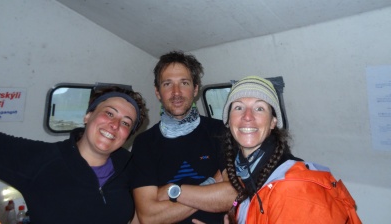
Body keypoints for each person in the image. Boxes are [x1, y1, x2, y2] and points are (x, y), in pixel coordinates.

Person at [0, 86, 147, 224]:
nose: (115, 125)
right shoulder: (42, 160)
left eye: (126, 123)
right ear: (88, 116)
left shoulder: (129, 166)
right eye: (109, 113)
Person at [221, 75, 362, 223]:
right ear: (228, 121)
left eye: (259, 108)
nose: (247, 116)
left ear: (273, 122)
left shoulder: (294, 191)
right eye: (238, 107)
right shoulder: (248, 175)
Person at [130, 50, 236, 224]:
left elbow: (231, 195)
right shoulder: (144, 143)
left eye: (184, 83)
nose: (176, 92)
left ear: (195, 89)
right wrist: (211, 184)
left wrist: (173, 191)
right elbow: (149, 217)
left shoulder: (220, 131)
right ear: (157, 92)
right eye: (167, 84)